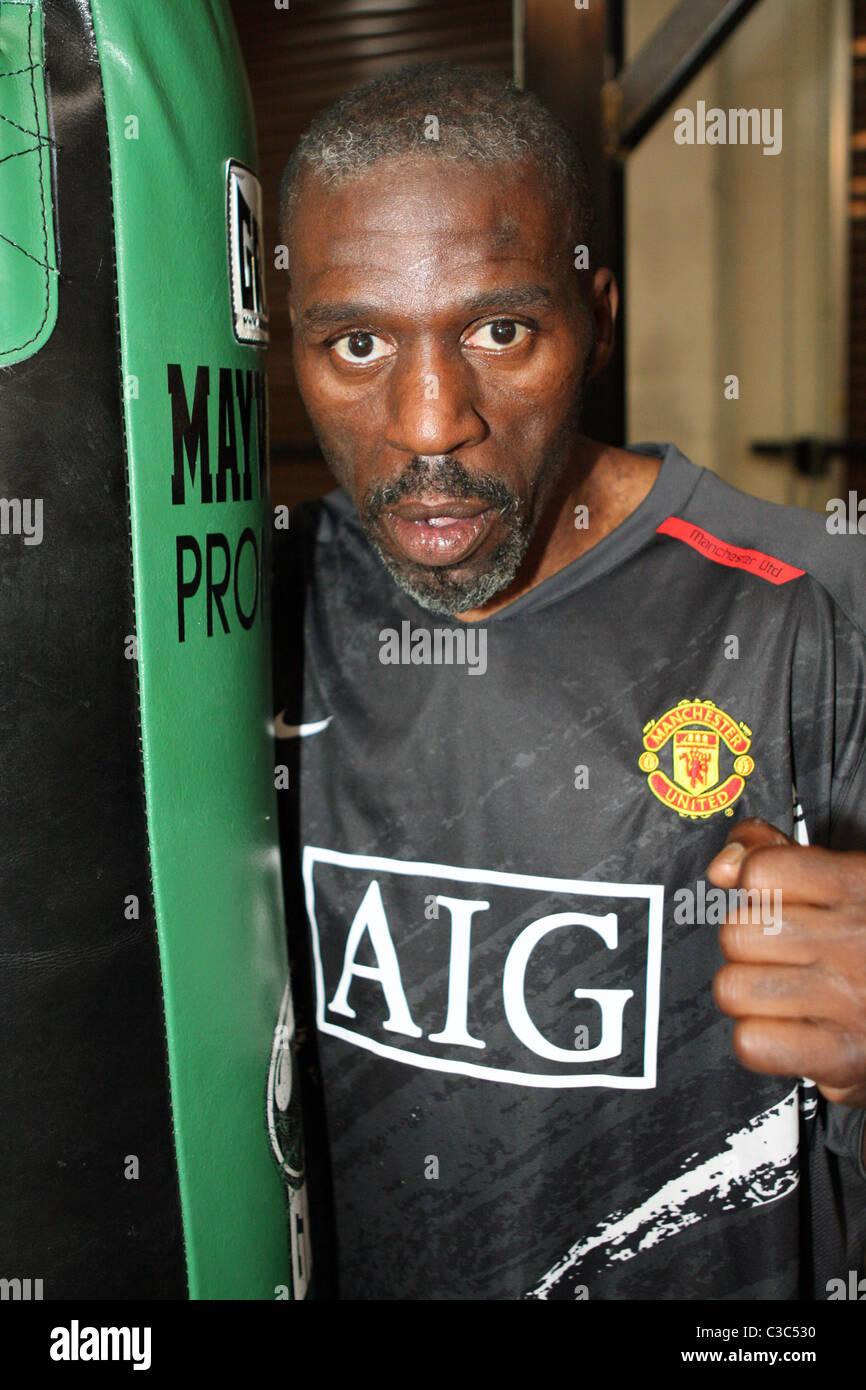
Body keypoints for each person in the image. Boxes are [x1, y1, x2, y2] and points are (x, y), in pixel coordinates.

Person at [271, 61, 866, 1300]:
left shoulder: (804, 609)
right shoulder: (255, 612)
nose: (431, 421)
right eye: (359, 341)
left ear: (595, 317)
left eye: (499, 330)